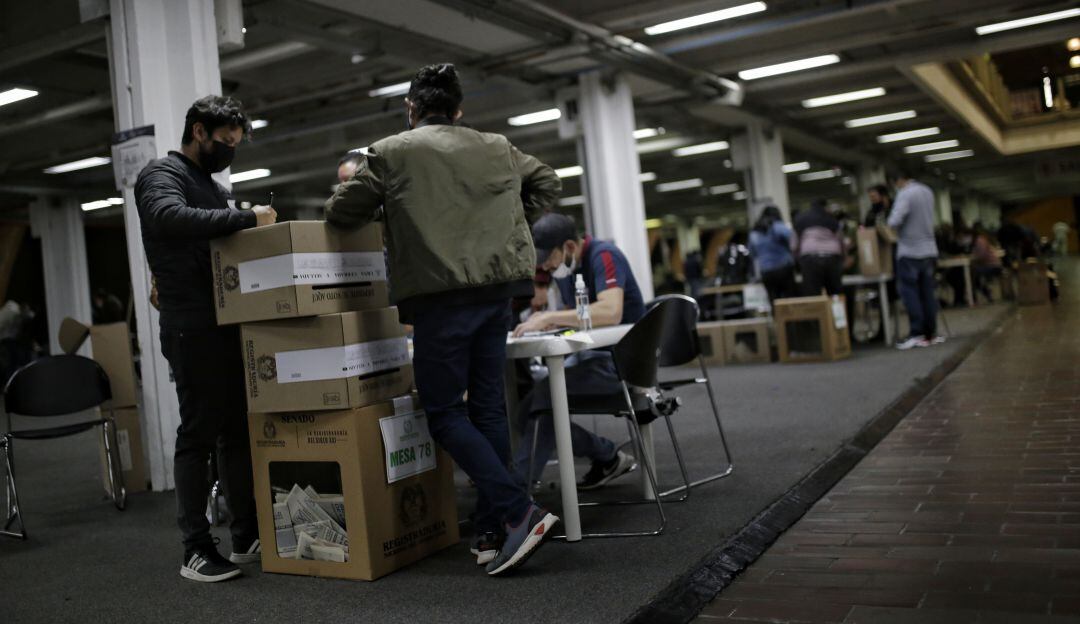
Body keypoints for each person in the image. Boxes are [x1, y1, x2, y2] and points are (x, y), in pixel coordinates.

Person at [324, 64, 562, 576]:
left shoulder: (390, 151)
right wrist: (506, 217)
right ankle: (492, 527)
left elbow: (342, 212)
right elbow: (547, 181)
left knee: (445, 414)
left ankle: (519, 512)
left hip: (440, 296)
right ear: (458, 110)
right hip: (498, 291)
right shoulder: (497, 145)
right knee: (490, 409)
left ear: (411, 109)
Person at [134, 95, 277, 583]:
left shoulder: (212, 187)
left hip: (224, 323)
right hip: (189, 325)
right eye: (224, 142)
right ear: (199, 132)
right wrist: (244, 217)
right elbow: (167, 217)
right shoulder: (161, 175)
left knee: (235, 430)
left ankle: (245, 535)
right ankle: (195, 548)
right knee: (196, 435)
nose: (229, 151)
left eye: (236, 144)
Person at [511, 213, 641, 492]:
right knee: (524, 413)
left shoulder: (604, 255)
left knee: (547, 397)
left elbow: (611, 311)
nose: (546, 265)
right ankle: (607, 456)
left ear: (569, 247)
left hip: (622, 364)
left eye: (550, 257)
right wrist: (548, 321)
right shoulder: (567, 271)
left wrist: (549, 319)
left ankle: (517, 495)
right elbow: (581, 319)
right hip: (591, 358)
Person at [887, 171, 941, 349]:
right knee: (928, 293)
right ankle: (930, 333)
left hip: (910, 251)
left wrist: (890, 225)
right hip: (929, 250)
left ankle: (916, 333)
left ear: (897, 181)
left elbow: (895, 220)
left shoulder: (905, 193)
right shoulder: (927, 191)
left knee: (911, 294)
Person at [794, 199, 844, 296]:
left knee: (812, 293)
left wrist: (797, 260)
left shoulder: (801, 219)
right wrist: (843, 258)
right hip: (832, 258)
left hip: (810, 259)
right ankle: (837, 310)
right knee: (835, 293)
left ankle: (815, 310)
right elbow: (840, 240)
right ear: (825, 207)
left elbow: (794, 244)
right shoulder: (832, 219)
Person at [747, 205, 796, 305]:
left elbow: (752, 253)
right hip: (784, 267)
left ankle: (778, 320)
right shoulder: (777, 226)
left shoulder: (754, 232)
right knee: (789, 298)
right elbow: (792, 239)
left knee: (773, 300)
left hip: (766, 271)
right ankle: (792, 320)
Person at [971, 224, 1003, 303]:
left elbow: (982, 256)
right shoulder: (984, 239)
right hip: (994, 264)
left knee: (973, 275)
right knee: (973, 274)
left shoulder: (980, 240)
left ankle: (976, 296)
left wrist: (974, 260)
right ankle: (985, 293)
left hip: (992, 266)